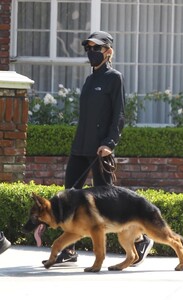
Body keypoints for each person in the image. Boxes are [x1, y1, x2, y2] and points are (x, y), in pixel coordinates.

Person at [42, 31, 153, 266]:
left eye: (97, 48)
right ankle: (69, 251)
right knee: (68, 196)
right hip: (80, 147)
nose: (92, 52)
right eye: (88, 48)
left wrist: (109, 143)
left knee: (106, 199)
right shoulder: (89, 80)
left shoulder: (115, 78)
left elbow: (119, 115)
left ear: (108, 52)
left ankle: (141, 239)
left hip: (100, 151)